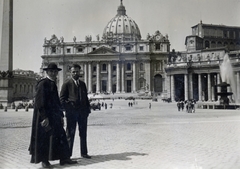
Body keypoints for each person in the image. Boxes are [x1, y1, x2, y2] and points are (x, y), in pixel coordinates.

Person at [29, 63, 77, 168]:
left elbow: (56, 102)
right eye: (52, 71)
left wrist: (60, 115)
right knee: (45, 139)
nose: (54, 73)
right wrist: (44, 117)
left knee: (61, 136)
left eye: (55, 71)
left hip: (54, 116)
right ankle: (44, 161)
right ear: (47, 72)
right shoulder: (43, 83)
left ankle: (64, 158)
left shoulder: (52, 83)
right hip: (45, 116)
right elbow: (39, 102)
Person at [60, 64, 91, 159]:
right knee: (70, 134)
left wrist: (87, 110)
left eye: (77, 71)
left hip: (82, 113)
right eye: (73, 72)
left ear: (80, 72)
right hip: (71, 113)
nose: (75, 73)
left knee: (83, 133)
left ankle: (84, 153)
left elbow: (85, 98)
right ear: (70, 72)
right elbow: (62, 99)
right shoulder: (66, 84)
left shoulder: (83, 84)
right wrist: (68, 108)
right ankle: (67, 155)